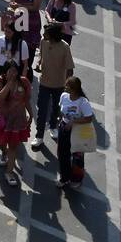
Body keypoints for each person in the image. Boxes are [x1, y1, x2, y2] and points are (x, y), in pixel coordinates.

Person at [0, 61, 32, 185]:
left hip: (17, 120)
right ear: (5, 71)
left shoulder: (24, 82)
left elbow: (26, 100)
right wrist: (9, 83)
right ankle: (3, 152)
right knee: (1, 142)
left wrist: (31, 114)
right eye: (10, 70)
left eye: (15, 70)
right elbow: (0, 97)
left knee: (13, 146)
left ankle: (9, 172)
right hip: (2, 119)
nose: (13, 73)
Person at [32, 22, 74, 151]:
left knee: (56, 108)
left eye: (47, 33)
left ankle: (53, 127)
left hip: (59, 85)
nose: (43, 35)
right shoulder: (44, 42)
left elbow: (70, 69)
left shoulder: (65, 47)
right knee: (42, 110)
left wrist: (68, 86)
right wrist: (39, 64)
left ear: (54, 35)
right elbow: (41, 57)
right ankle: (39, 136)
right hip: (44, 82)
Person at [56, 76, 94, 190]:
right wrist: (60, 120)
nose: (65, 88)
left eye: (68, 86)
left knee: (77, 156)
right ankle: (64, 177)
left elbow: (89, 118)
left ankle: (76, 179)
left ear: (74, 89)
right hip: (64, 128)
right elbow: (60, 110)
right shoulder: (64, 96)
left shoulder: (83, 102)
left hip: (77, 131)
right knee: (62, 154)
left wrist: (73, 122)